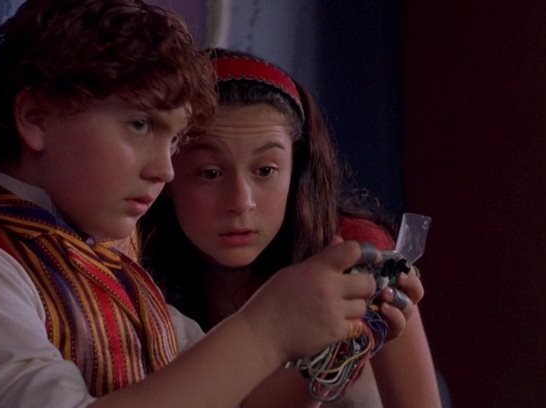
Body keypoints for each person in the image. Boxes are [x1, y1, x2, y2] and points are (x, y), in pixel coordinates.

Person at [0, 2, 384, 407]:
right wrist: (266, 330)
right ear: (35, 118)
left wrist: (340, 340)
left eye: (173, 142)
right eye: (139, 125)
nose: (165, 170)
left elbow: (238, 399)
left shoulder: (117, 271)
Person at [136, 48, 442, 407]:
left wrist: (347, 342)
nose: (241, 201)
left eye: (266, 170)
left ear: (296, 170)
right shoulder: (133, 265)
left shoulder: (353, 253)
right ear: (166, 173)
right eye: (210, 173)